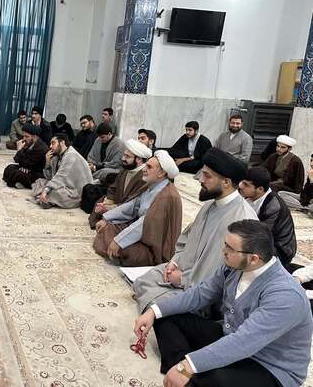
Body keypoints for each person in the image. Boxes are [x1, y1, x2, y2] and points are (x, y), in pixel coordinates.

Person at [134, 219, 312, 387]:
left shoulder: (286, 295)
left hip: (269, 365)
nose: (223, 251)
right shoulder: (234, 267)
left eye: (230, 249)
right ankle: (186, 373)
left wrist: (189, 366)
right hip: (231, 337)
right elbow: (200, 294)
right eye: (225, 244)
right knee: (166, 316)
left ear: (254, 258)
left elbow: (244, 341)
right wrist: (154, 311)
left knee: (216, 378)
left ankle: (191, 373)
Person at [133, 148, 257, 312]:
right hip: (181, 272)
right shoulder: (209, 205)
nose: (200, 179)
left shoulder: (243, 220)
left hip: (203, 292)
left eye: (207, 176)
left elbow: (226, 274)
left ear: (226, 182)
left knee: (158, 305)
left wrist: (184, 279)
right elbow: (185, 240)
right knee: (143, 281)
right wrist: (175, 262)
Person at [93, 150, 182, 267]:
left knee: (123, 248)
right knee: (108, 227)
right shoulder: (152, 186)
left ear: (161, 173)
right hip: (142, 234)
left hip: (154, 245)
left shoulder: (167, 196)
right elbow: (132, 206)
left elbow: (145, 223)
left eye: (149, 167)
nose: (144, 169)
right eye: (146, 165)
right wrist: (107, 218)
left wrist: (119, 241)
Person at [238, 167, 296, 269]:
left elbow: (260, 236)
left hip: (279, 249)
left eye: (246, 184)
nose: (241, 186)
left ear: (260, 189)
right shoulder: (249, 195)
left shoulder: (273, 206)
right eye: (242, 182)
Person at [88, 139, 151, 229]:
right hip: (117, 203)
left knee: (111, 228)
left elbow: (134, 205)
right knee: (100, 201)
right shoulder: (125, 170)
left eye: (127, 156)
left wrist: (111, 208)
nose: (123, 158)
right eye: (124, 155)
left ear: (139, 159)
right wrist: (108, 201)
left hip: (128, 212)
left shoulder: (145, 177)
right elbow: (113, 188)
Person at [31, 133, 93, 209]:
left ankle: (45, 198)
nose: (50, 146)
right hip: (64, 185)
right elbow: (50, 177)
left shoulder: (71, 155)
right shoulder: (57, 157)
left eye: (53, 143)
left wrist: (45, 191)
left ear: (62, 143)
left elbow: (60, 177)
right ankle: (47, 199)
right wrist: (47, 162)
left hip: (76, 192)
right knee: (40, 181)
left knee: (56, 193)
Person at [2, 122, 49, 189]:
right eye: (23, 136)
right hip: (27, 169)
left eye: (27, 136)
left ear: (34, 137)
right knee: (9, 167)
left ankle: (21, 183)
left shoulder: (41, 148)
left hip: (36, 172)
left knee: (18, 174)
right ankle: (18, 182)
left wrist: (19, 150)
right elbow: (16, 159)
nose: (24, 138)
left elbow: (28, 163)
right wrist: (22, 164)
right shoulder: (29, 143)